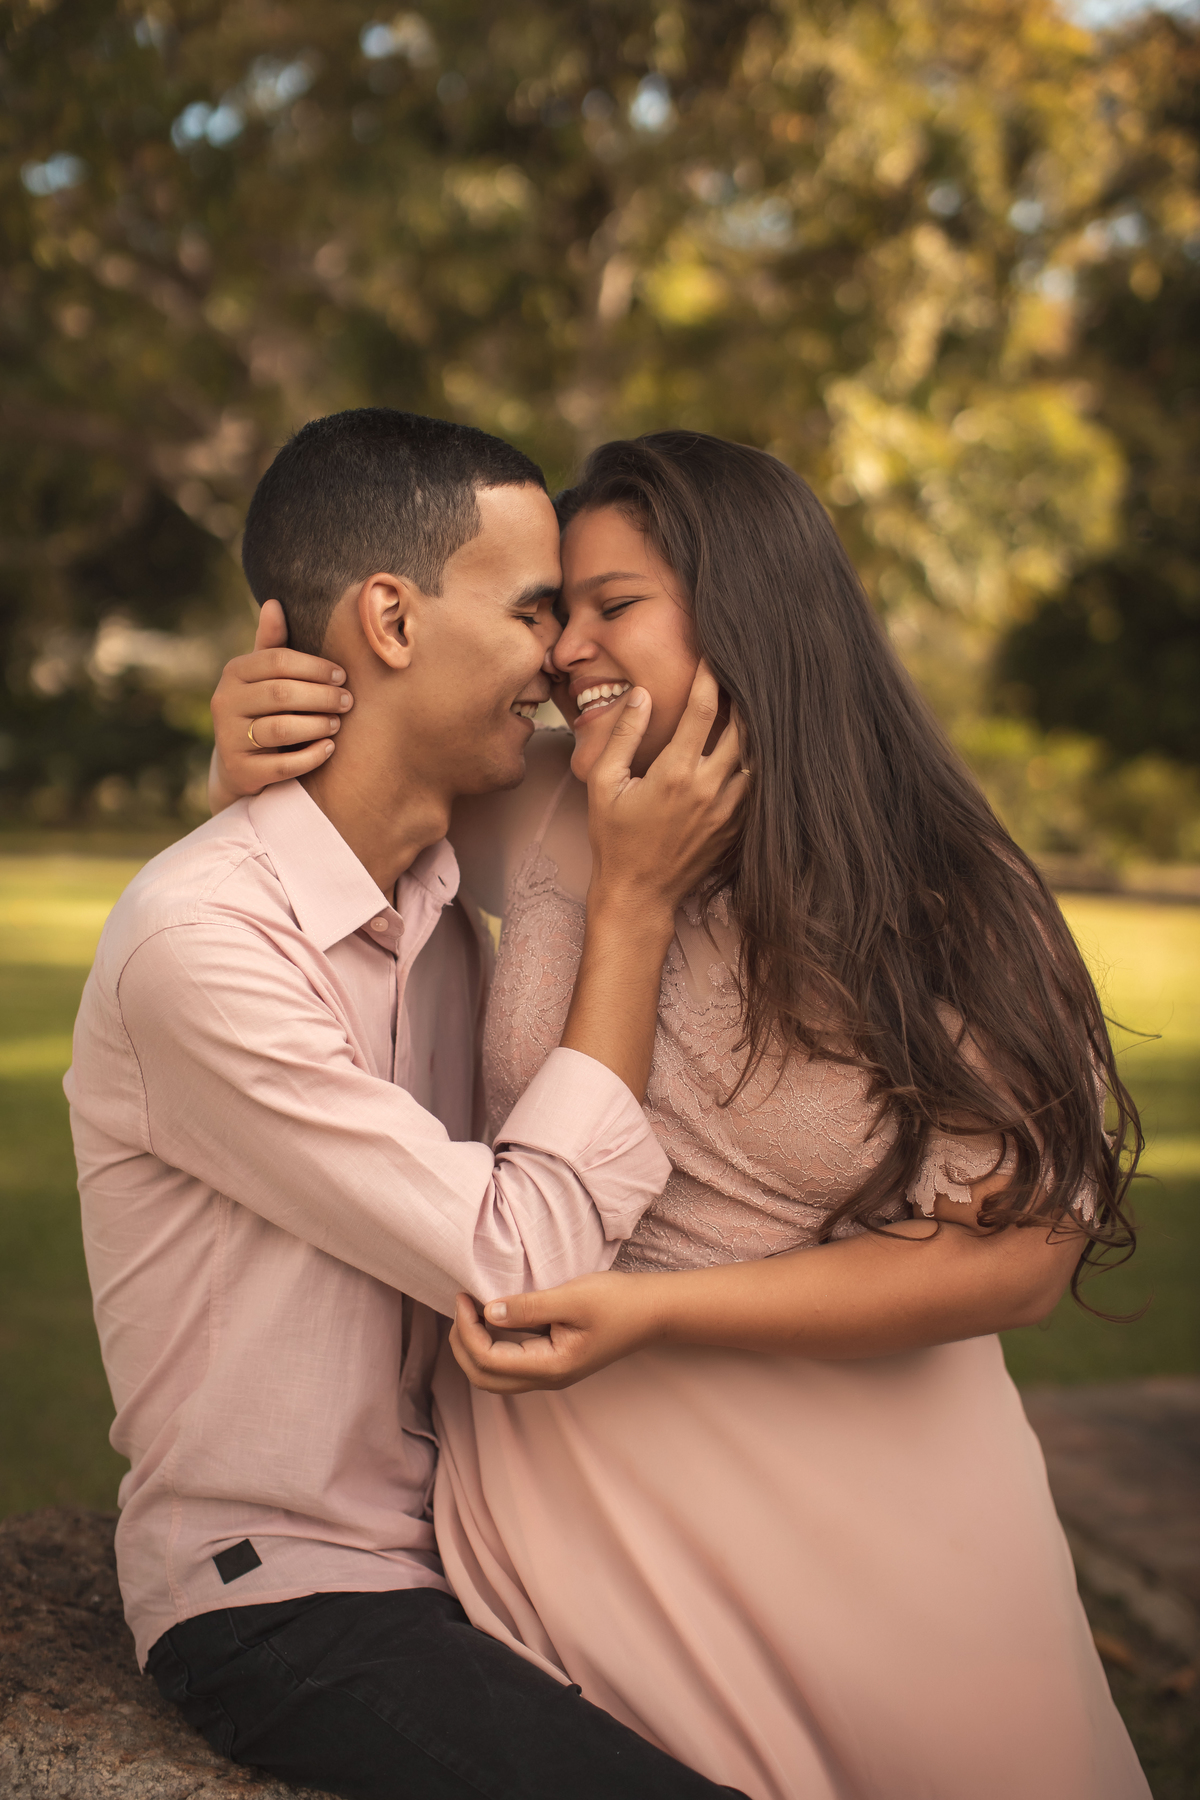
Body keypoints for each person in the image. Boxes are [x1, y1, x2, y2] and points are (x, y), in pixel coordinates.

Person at [212, 430, 1150, 1799]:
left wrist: (656, 1313)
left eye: (612, 606)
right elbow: (324, 822)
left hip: (887, 1515)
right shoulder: (539, 812)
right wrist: (246, 735)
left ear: (749, 611)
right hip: (595, 1510)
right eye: (551, 610)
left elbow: (1022, 1255)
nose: (564, 649)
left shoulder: (946, 891)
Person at [67, 409, 752, 1800]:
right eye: (535, 610)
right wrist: (631, 909)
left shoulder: (438, 911)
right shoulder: (203, 944)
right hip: (290, 1598)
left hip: (480, 1537)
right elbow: (521, 1260)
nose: (562, 659)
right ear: (389, 617)